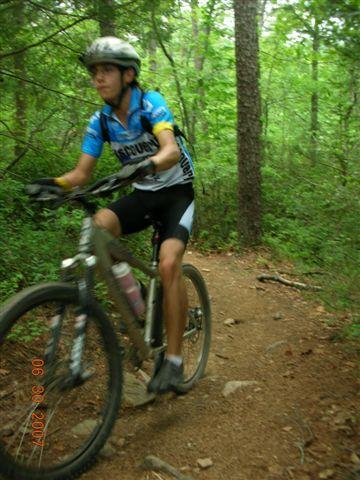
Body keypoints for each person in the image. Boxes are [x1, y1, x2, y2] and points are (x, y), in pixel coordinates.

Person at [30, 36, 195, 394]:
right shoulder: (101, 121)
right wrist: (55, 184)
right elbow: (80, 175)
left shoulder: (150, 103)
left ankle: (176, 363)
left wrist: (143, 166)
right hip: (143, 194)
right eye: (94, 72)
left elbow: (168, 151)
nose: (98, 79)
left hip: (176, 194)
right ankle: (135, 298)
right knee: (97, 228)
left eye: (106, 70)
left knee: (169, 265)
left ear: (129, 75)